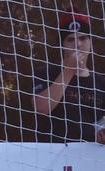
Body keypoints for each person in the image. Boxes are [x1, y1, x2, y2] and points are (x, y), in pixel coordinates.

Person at [32, 11, 105, 144]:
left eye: (83, 38)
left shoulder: (101, 82)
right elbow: (41, 107)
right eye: (70, 39)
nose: (77, 45)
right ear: (62, 44)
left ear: (90, 42)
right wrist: (70, 70)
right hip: (50, 158)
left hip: (88, 160)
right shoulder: (46, 73)